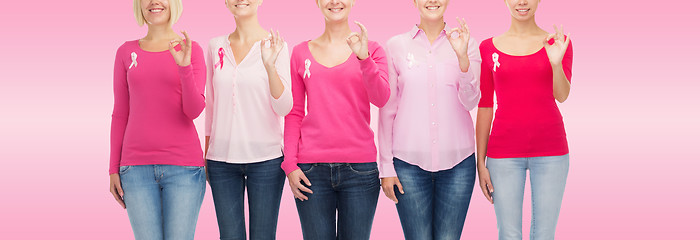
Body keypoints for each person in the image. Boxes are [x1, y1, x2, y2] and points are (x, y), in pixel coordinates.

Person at [282, 0, 391, 239]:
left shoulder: (372, 49)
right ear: (318, 3)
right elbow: (295, 112)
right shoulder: (300, 52)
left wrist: (364, 59)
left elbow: (381, 98)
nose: (334, 2)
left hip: (360, 171)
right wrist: (290, 164)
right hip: (311, 172)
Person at [378, 0, 481, 239]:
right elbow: (387, 109)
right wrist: (385, 167)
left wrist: (463, 57)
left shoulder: (468, 43)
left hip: (459, 163)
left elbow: (471, 102)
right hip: (407, 164)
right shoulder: (396, 46)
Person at [108, 0, 206, 239]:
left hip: (184, 168)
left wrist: (183, 67)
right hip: (135, 170)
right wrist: (113, 168)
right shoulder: (125, 52)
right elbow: (121, 112)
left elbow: (194, 111)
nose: (154, 2)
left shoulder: (191, 50)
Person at [475, 0, 573, 239]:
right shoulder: (488, 47)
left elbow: (562, 95)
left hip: (551, 152)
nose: (522, 2)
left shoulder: (558, 42)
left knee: (544, 234)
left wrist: (556, 63)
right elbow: (485, 105)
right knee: (508, 235)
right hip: (503, 154)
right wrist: (480, 161)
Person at [204, 0, 292, 239]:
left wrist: (270, 66)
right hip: (221, 161)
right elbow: (211, 106)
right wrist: (207, 155)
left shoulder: (277, 46)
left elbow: (284, 107)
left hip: (267, 161)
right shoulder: (215, 46)